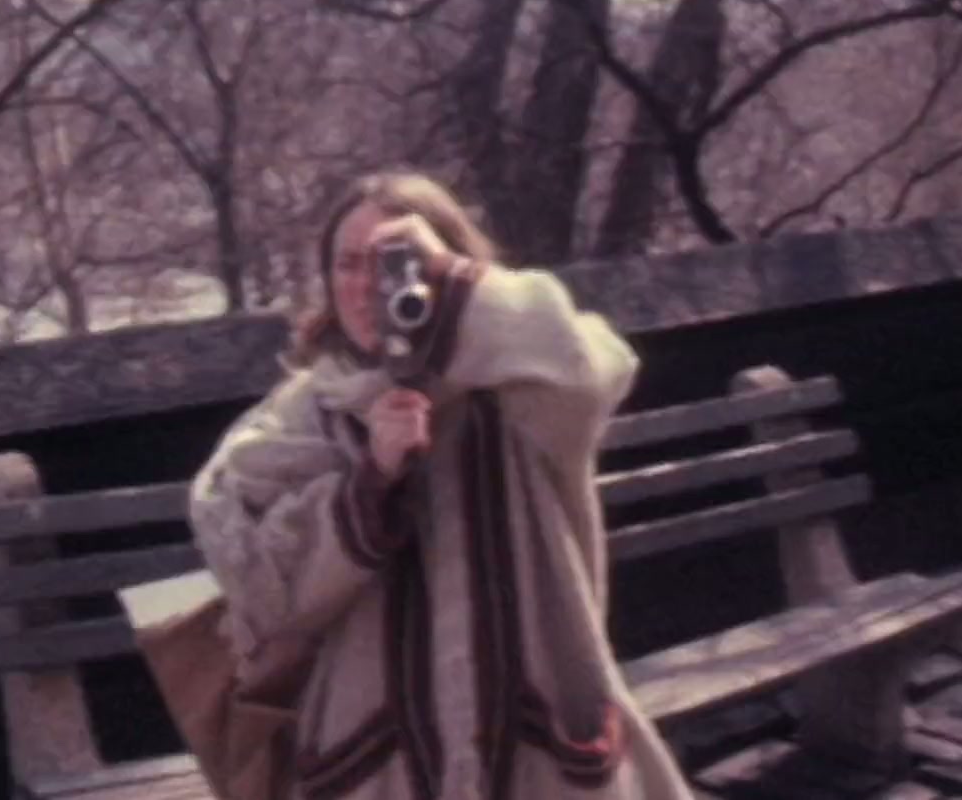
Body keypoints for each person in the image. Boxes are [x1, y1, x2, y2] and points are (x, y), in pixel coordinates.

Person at [188, 169, 695, 799]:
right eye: (348, 264)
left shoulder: (519, 393)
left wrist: (460, 283)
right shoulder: (306, 412)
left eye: (392, 264)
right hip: (372, 755)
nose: (367, 286)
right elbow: (264, 585)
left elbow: (592, 372)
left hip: (532, 734)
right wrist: (370, 482)